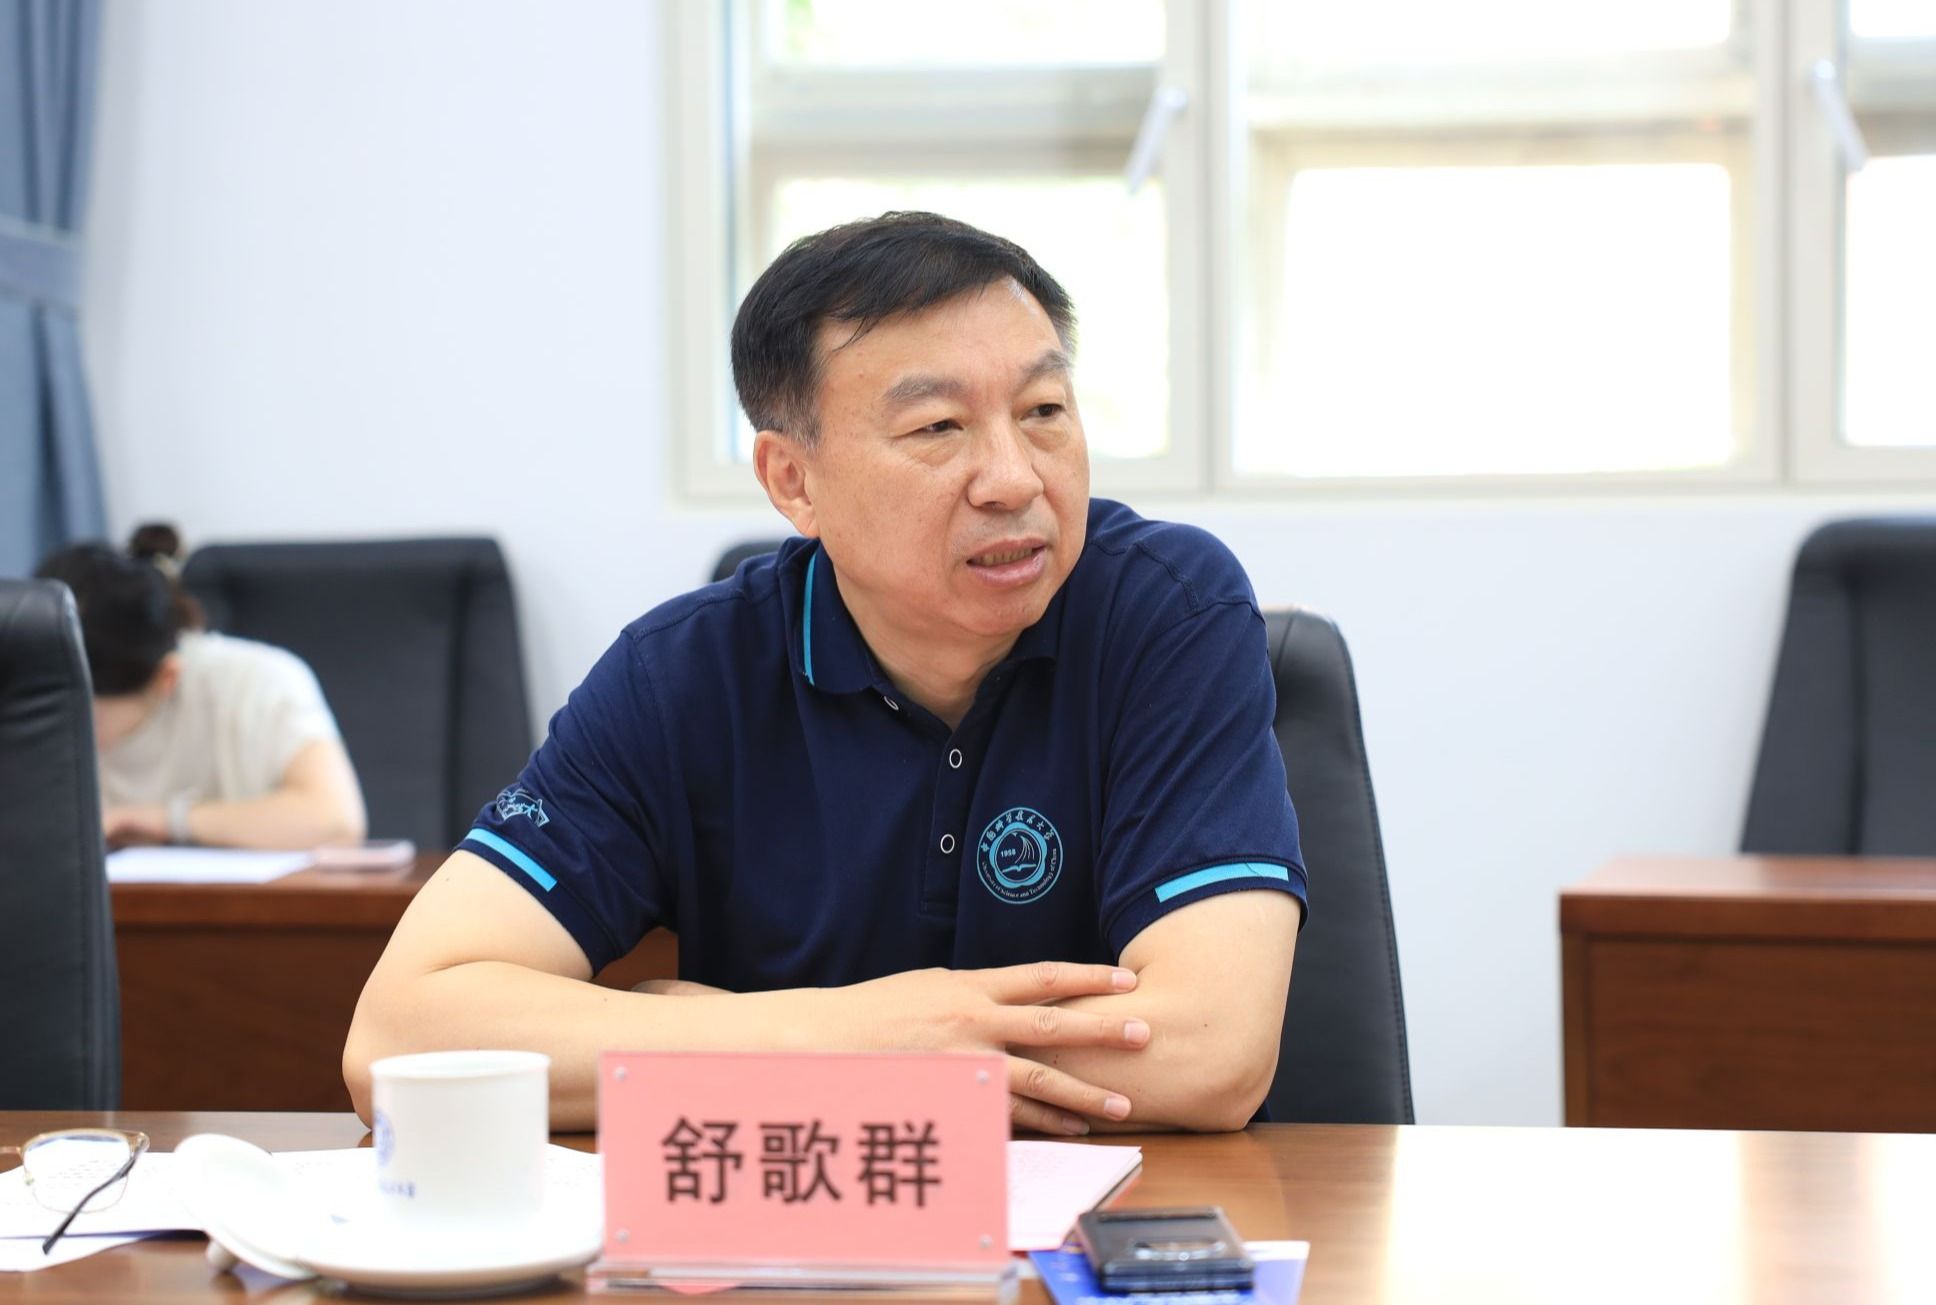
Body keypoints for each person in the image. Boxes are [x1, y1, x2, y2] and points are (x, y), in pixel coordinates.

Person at [345, 212, 1305, 1133]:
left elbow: (1208, 1047)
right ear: (792, 480)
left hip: (1113, 1220)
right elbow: (399, 1040)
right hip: (793, 1220)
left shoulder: (1165, 613)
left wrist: (729, 1037)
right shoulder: (683, 678)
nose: (1014, 478)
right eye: (938, 427)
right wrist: (854, 1037)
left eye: (1043, 411)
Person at [35, 525, 367, 851]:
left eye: (83, 716)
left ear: (166, 678)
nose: (55, 729)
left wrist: (164, 820)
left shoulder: (260, 681)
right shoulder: (24, 690)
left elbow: (335, 822)